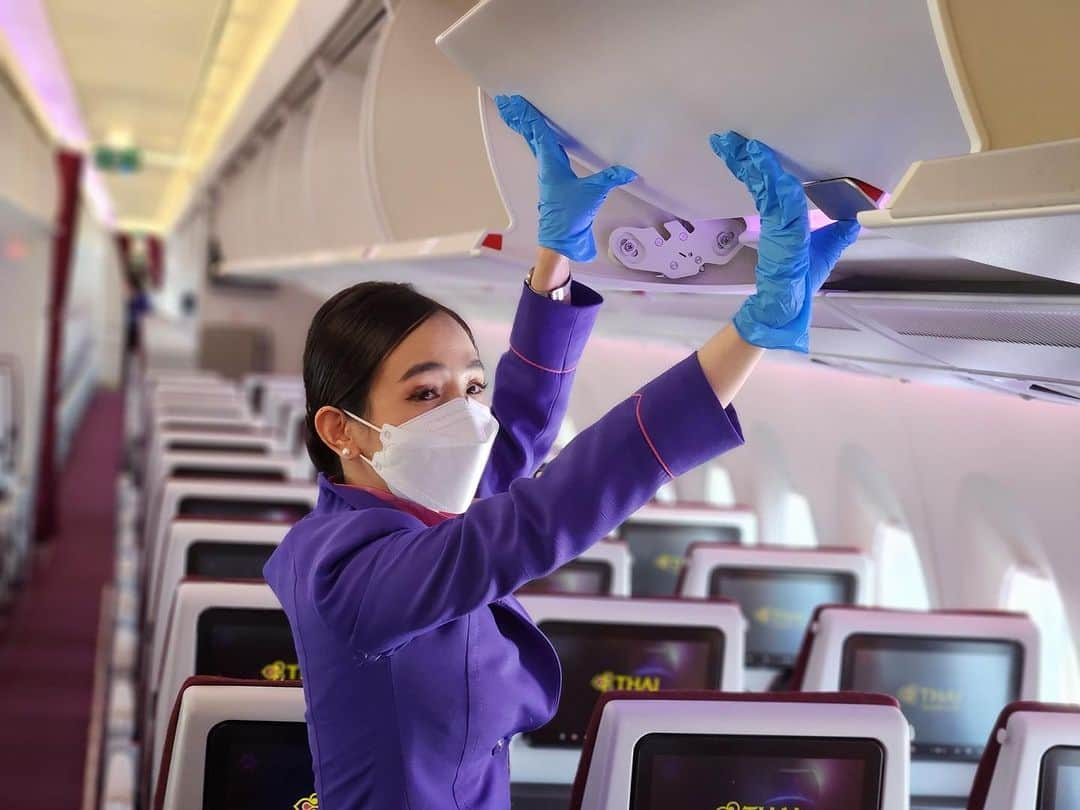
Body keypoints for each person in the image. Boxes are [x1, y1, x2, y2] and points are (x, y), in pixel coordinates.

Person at [263, 95, 860, 809]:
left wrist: (556, 258)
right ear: (341, 429)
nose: (463, 416)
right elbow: (542, 515)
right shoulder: (343, 572)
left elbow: (513, 431)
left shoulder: (416, 514)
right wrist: (758, 326)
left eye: (471, 386)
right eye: (426, 395)